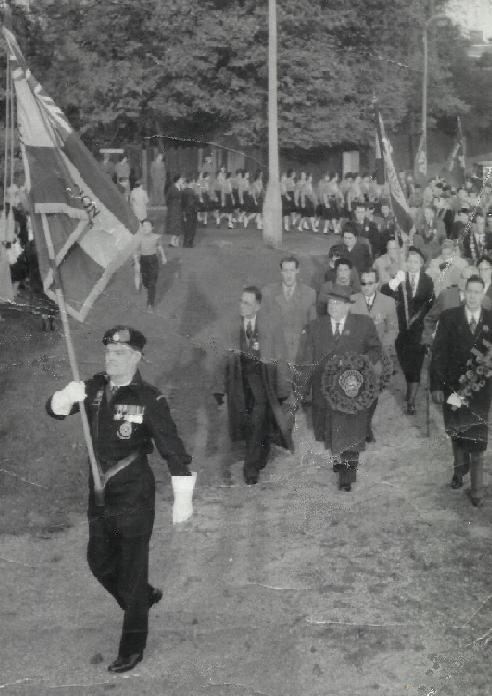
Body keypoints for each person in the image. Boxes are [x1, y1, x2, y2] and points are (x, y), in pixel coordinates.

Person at [46, 326, 193, 672]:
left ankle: (132, 647)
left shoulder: (149, 399)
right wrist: (64, 397)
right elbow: (54, 411)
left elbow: (174, 451)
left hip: (134, 494)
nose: (111, 359)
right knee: (98, 561)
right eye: (108, 352)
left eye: (119, 354)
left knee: (131, 569)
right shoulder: (93, 388)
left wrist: (183, 499)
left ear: (137, 357)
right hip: (99, 493)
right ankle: (141, 598)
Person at [297, 285, 382, 491]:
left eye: (337, 303)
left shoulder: (363, 324)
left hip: (352, 390)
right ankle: (339, 457)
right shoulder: (316, 327)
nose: (331, 307)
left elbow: (375, 349)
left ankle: (347, 476)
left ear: (347, 306)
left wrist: (360, 363)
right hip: (324, 391)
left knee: (351, 431)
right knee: (330, 430)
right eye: (330, 303)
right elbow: (307, 360)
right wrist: (302, 388)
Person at [212, 286, 292, 485]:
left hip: (263, 387)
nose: (242, 306)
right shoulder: (232, 327)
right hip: (239, 387)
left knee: (256, 422)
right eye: (241, 301)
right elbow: (221, 358)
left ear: (257, 306)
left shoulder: (271, 327)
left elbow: (281, 359)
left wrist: (282, 390)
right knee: (251, 424)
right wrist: (219, 388)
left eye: (247, 303)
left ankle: (250, 469)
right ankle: (261, 452)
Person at [430, 276, 492, 507]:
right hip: (453, 386)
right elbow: (438, 353)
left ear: (483, 293)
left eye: (478, 292)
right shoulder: (449, 317)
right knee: (456, 431)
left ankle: (476, 490)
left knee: (477, 437)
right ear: (464, 293)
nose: (474, 296)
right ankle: (459, 469)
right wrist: (436, 385)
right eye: (470, 292)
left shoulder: (491, 319)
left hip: (480, 390)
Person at [381, 246, 434, 415]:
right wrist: (396, 281)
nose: (412, 264)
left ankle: (411, 401)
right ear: (406, 263)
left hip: (418, 330)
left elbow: (431, 305)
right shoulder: (400, 278)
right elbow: (384, 292)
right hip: (401, 329)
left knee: (416, 365)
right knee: (405, 363)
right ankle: (410, 384)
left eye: (416, 261)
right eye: (409, 261)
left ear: (421, 263)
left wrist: (429, 330)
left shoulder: (427, 281)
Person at [351, 267, 398, 441]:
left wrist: (381, 348)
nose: (366, 287)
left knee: (373, 392)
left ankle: (366, 425)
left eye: (370, 283)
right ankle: (360, 426)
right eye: (363, 283)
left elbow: (393, 329)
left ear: (377, 283)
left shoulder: (388, 302)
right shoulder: (352, 301)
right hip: (356, 355)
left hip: (378, 356)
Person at [262, 255, 317, 366]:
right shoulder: (268, 292)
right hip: (276, 349)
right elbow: (263, 324)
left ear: (297, 270)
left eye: (292, 270)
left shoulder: (309, 293)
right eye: (285, 270)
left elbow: (313, 325)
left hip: (298, 349)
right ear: (281, 271)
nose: (288, 275)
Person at [134, 219, 167, 312]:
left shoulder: (157, 237)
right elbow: (135, 251)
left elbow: (160, 247)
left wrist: (163, 257)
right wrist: (136, 263)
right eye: (143, 226)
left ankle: (150, 304)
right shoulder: (139, 238)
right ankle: (146, 286)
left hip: (153, 261)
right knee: (146, 282)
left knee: (152, 283)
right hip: (143, 261)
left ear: (152, 227)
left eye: (148, 226)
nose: (145, 228)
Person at [165, 174, 184, 247]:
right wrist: (170, 206)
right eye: (181, 179)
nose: (182, 180)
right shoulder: (172, 188)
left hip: (180, 208)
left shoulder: (181, 187)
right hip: (173, 208)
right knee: (176, 224)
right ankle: (173, 241)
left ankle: (176, 241)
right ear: (178, 180)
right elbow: (167, 198)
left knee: (179, 224)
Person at [181, 175, 198, 248]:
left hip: (185, 211)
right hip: (192, 212)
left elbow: (182, 203)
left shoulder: (184, 191)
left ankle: (185, 242)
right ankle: (189, 243)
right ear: (191, 183)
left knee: (186, 228)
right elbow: (192, 203)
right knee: (192, 228)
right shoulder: (192, 192)